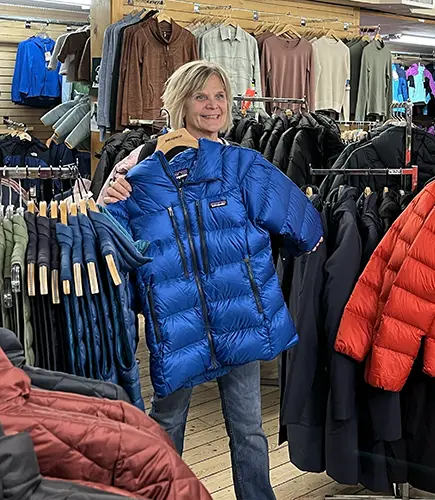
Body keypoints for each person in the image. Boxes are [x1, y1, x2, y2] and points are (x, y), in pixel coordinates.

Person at [102, 61, 322, 500]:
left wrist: (281, 253)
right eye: (202, 96)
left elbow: (306, 227)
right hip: (177, 327)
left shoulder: (242, 166)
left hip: (238, 318)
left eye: (220, 96)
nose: (213, 105)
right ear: (180, 103)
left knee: (248, 430)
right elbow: (110, 244)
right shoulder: (138, 170)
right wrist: (108, 197)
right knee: (167, 424)